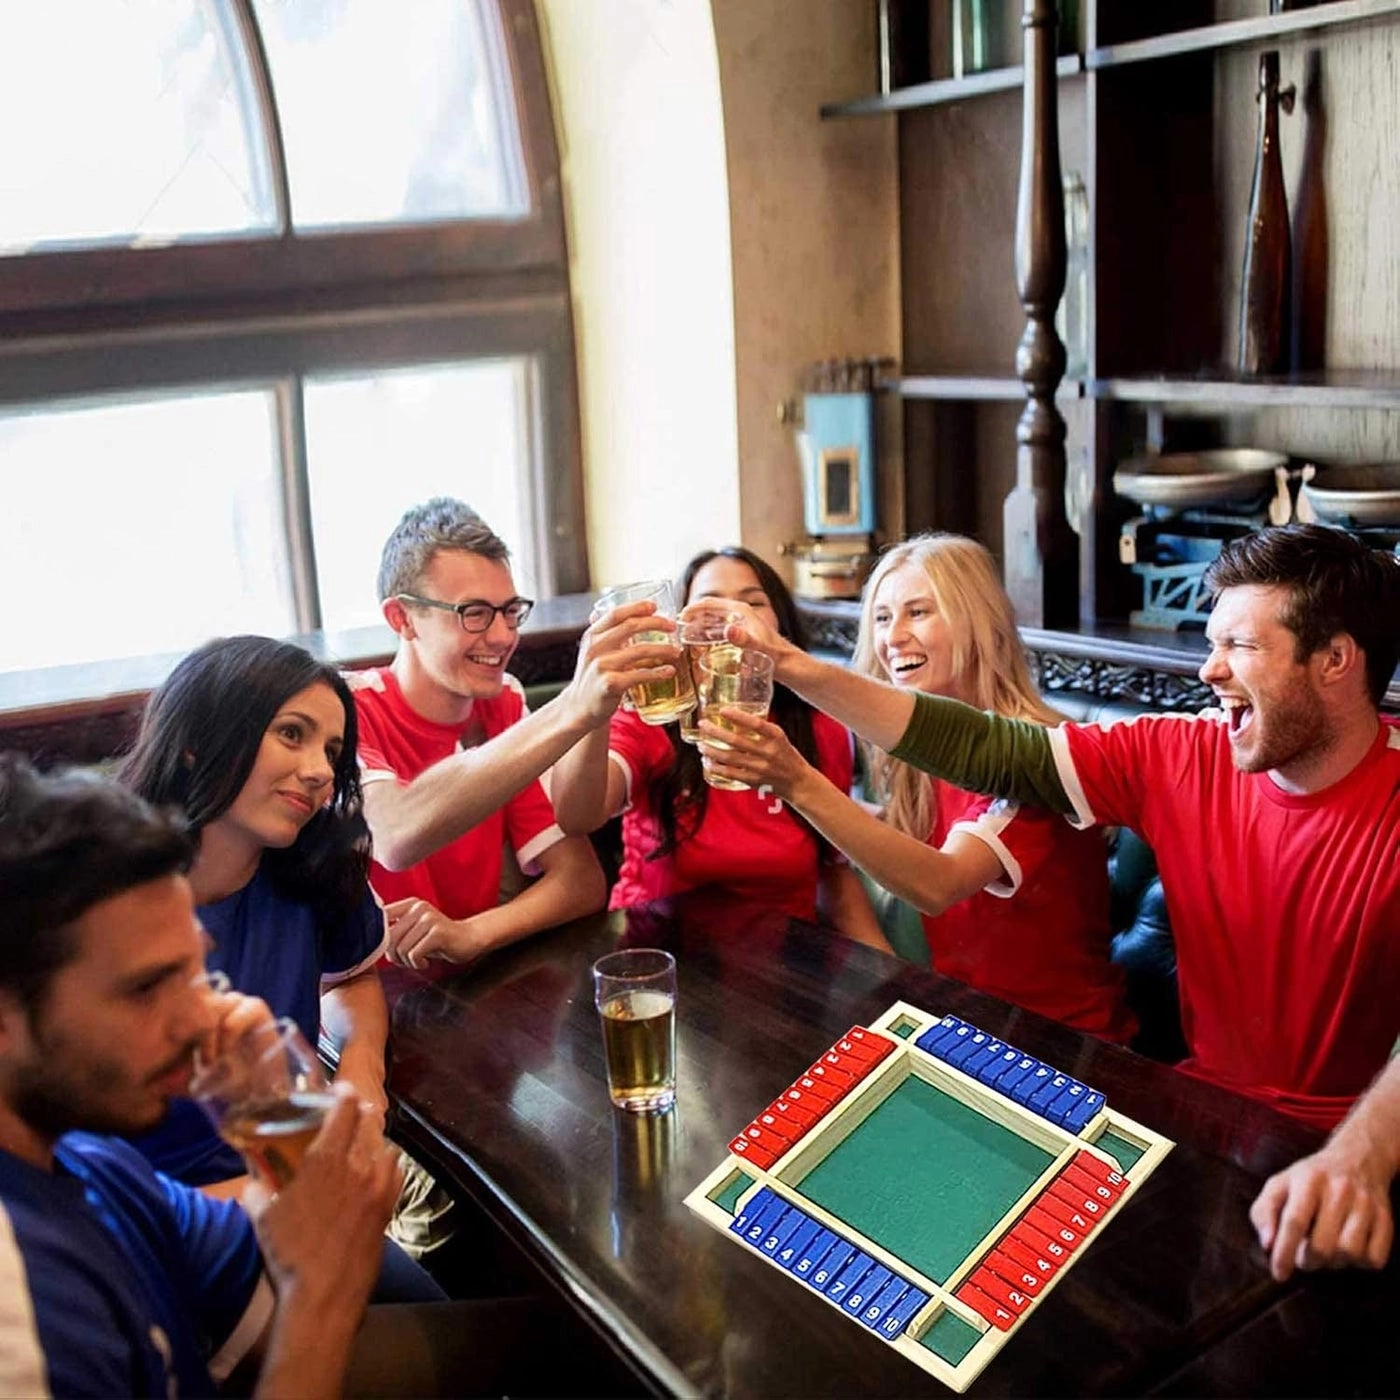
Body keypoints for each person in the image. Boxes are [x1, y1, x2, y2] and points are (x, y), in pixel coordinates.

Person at [697, 523, 1400, 1283]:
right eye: (1211, 642)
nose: (1208, 670)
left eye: (1242, 648)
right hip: (1197, 1118)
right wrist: (797, 667)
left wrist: (1359, 1158)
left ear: (1335, 660)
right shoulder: (1185, 752)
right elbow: (993, 749)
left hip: (1356, 1151)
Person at [0, 755, 401, 1397]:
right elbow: (305, 1309)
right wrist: (320, 1304)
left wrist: (267, 1106)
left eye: (196, 971)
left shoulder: (91, 1162)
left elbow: (266, 1294)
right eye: (149, 986)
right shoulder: (17, 1310)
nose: (200, 1021)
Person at [702, 535, 1133, 1040]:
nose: (893, 638)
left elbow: (939, 884)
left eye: (918, 612)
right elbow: (906, 832)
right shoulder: (916, 757)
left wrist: (797, 782)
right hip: (962, 1027)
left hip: (1059, 1043)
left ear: (978, 622)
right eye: (882, 619)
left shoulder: (1035, 757)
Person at [117, 635, 392, 1193]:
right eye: (292, 734)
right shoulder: (89, 901)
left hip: (282, 1187)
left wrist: (362, 1067)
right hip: (134, 1232)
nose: (319, 772)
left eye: (333, 753)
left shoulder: (317, 868)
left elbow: (352, 977)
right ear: (197, 740)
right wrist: (278, 1191)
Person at [551, 546, 886, 945]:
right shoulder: (655, 714)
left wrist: (892, 979)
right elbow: (576, 816)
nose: (732, 619)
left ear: (780, 624)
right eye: (710, 605)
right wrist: (593, 708)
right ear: (680, 630)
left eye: (753, 602)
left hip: (786, 959)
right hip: (662, 951)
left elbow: (833, 870)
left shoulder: (819, 726)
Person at [347, 499, 613, 968]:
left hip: (471, 989)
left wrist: (470, 934)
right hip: (363, 998)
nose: (502, 636)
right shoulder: (345, 708)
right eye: (474, 613)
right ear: (401, 619)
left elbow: (581, 880)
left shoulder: (502, 701)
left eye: (509, 611)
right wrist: (575, 706)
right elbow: (395, 837)